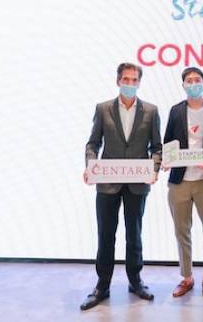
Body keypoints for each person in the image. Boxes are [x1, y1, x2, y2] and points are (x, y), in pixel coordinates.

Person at [81, 63, 162, 311]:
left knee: (134, 234)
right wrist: (91, 166)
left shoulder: (151, 111)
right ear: (118, 81)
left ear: (139, 83)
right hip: (107, 183)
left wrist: (154, 169)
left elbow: (156, 147)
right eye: (125, 79)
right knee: (106, 235)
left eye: (134, 79)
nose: (130, 83)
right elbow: (93, 143)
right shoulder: (103, 108)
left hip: (138, 183)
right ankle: (102, 285)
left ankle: (135, 281)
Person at [163, 67, 203, 298]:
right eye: (189, 80)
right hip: (180, 180)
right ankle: (186, 277)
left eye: (197, 80)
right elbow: (168, 141)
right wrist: (167, 160)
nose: (194, 83)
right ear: (183, 85)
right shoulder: (176, 111)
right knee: (181, 230)